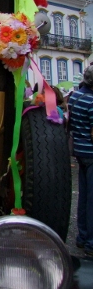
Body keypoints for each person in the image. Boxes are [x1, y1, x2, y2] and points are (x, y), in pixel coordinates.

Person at [68, 65, 93, 257]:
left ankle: (82, 236)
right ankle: (91, 242)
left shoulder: (75, 96)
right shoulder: (92, 101)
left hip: (79, 150)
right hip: (91, 153)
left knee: (84, 196)